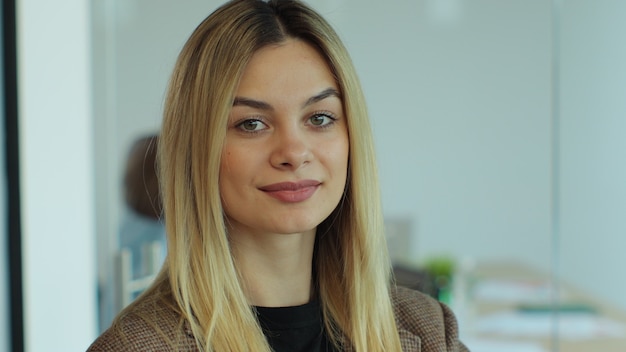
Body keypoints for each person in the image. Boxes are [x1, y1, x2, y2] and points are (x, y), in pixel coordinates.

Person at [88, 0, 469, 351]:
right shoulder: (136, 346)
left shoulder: (427, 329)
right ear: (196, 151)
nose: (293, 152)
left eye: (320, 118)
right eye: (252, 123)